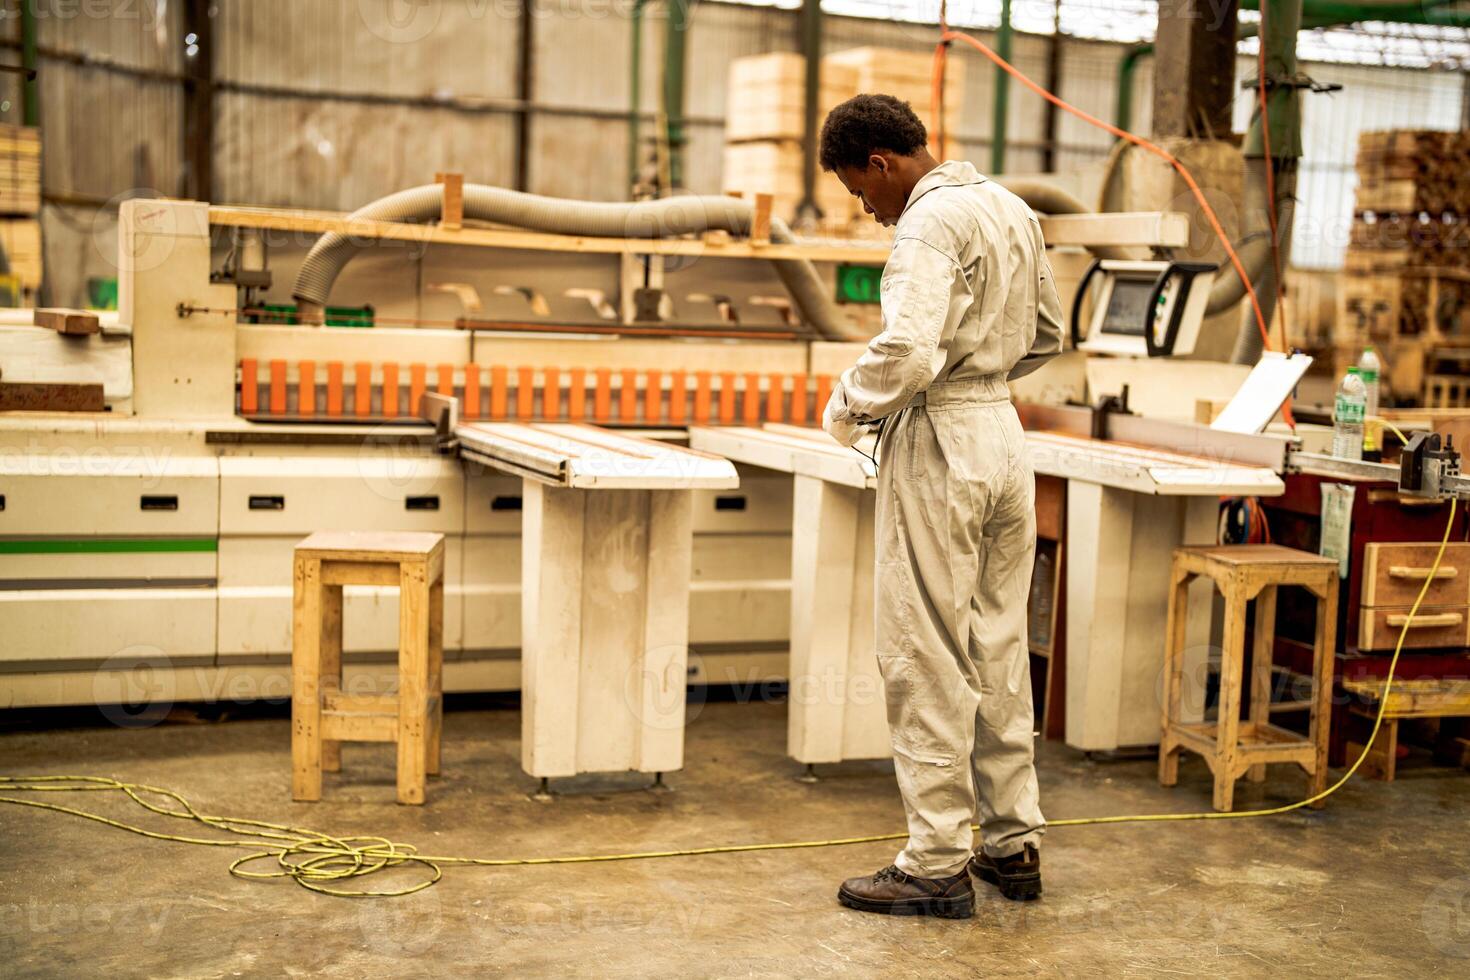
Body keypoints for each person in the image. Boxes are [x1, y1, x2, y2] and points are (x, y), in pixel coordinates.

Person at [818, 94, 1063, 919]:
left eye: (862, 192)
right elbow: (1048, 334)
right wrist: (983, 385)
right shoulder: (1013, 210)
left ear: (882, 164)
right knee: (997, 642)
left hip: (940, 438)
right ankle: (1011, 844)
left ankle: (934, 863)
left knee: (922, 649)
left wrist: (850, 401)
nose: (868, 210)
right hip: (1003, 431)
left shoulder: (927, 224)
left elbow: (911, 349)